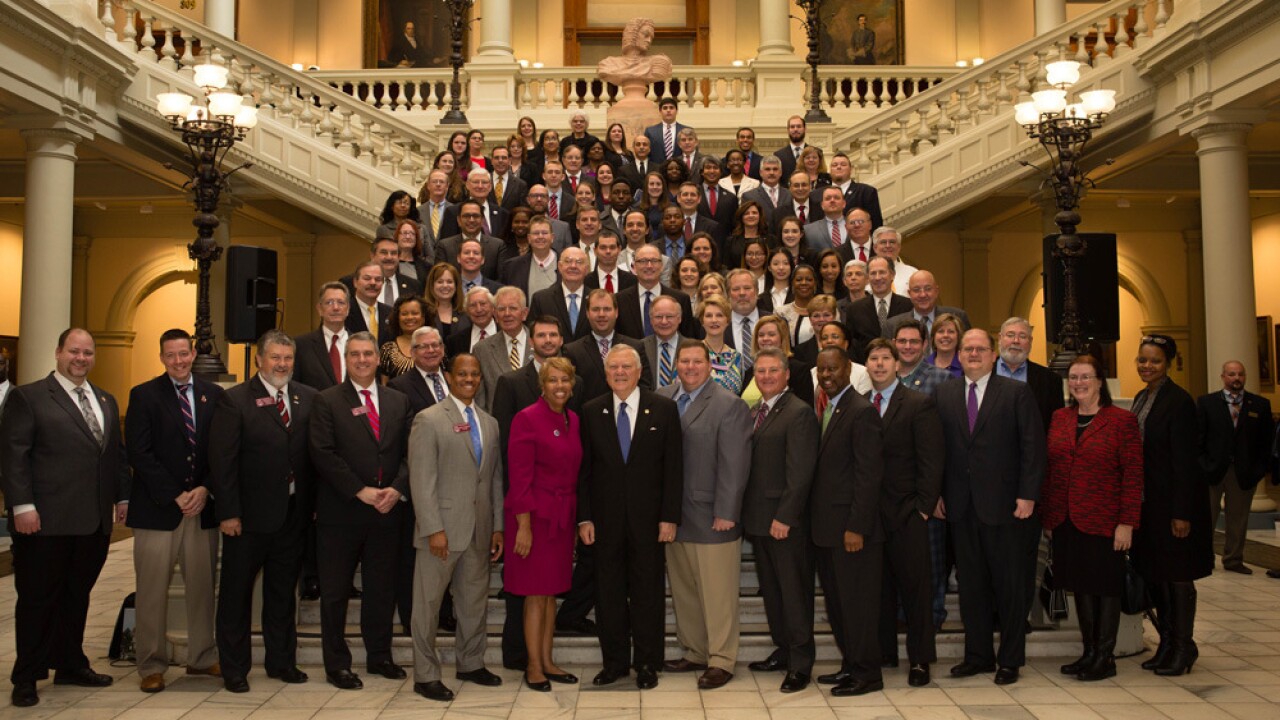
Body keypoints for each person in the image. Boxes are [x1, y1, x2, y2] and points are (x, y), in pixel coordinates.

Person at [0, 329, 128, 708]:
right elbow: (13, 457)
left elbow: (115, 454)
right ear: (58, 352)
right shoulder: (29, 397)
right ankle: (27, 675)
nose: (81, 358)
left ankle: (70, 663)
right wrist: (21, 507)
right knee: (39, 600)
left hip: (93, 524)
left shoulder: (104, 399)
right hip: (44, 523)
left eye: (88, 352)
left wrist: (122, 494)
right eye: (74, 351)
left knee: (77, 597)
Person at [935, 329, 1046, 686]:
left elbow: (1033, 448)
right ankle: (978, 655)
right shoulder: (946, 392)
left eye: (980, 349)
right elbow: (938, 449)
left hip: (1006, 508)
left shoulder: (1015, 392)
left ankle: (1010, 659)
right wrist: (937, 493)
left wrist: (1028, 495)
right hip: (961, 507)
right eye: (967, 349)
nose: (973, 354)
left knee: (1009, 587)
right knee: (971, 587)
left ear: (993, 353)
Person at [209, 330, 317, 693]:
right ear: (259, 360)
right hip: (247, 520)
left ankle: (281, 661)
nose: (282, 364)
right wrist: (228, 513)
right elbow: (222, 464)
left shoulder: (307, 398)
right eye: (275, 358)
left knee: (282, 594)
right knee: (236, 596)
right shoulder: (235, 400)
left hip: (292, 515)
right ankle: (235, 668)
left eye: (287, 358)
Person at [309, 332, 412, 690]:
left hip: (387, 512)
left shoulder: (398, 400)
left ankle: (379, 656)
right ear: (346, 359)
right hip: (342, 513)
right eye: (355, 354)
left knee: (382, 590)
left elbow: (409, 453)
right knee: (336, 593)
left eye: (368, 353)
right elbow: (322, 453)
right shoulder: (326, 401)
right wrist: (360, 490)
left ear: (377, 358)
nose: (363, 359)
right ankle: (337, 664)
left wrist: (396, 488)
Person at [578, 345, 684, 689]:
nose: (620, 373)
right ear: (606, 373)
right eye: (613, 368)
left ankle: (648, 663)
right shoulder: (591, 411)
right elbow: (585, 472)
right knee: (608, 595)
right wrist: (585, 518)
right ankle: (615, 664)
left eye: (626, 367)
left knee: (648, 594)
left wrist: (670, 517)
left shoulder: (664, 409)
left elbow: (674, 468)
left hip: (650, 522)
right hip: (604, 524)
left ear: (639, 372)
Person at [126, 329, 224, 693]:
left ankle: (202, 657)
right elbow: (139, 453)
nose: (179, 361)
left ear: (194, 353)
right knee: (151, 591)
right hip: (157, 511)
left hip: (200, 509)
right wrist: (174, 494)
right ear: (162, 357)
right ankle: (151, 664)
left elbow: (221, 450)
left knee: (202, 588)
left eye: (184, 354)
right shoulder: (144, 395)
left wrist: (205, 488)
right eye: (172, 355)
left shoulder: (213, 395)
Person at [408, 353, 504, 701]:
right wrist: (433, 527)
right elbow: (422, 480)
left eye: (475, 374)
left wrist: (498, 525)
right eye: (462, 373)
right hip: (442, 532)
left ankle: (471, 663)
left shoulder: (489, 422)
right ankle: (425, 674)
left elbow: (493, 478)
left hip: (479, 530)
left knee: (473, 602)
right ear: (449, 377)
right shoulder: (429, 419)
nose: (469, 379)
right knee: (428, 605)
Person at [1041, 354, 1143, 682]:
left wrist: (1126, 522)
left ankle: (1105, 655)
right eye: (1073, 377)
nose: (1079, 383)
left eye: (1086, 377)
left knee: (1105, 588)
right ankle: (1088, 652)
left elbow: (1133, 476)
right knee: (1081, 587)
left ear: (1100, 381)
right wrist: (1049, 518)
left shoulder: (1120, 421)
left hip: (1105, 521)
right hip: (1066, 520)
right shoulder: (1060, 417)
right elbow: (1052, 469)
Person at [658, 340, 752, 690]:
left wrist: (727, 511)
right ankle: (695, 650)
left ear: (709, 365)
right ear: (676, 364)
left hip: (713, 517)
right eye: (684, 361)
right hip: (672, 516)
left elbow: (735, 464)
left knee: (717, 594)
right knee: (685, 592)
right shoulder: (663, 397)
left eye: (698, 361)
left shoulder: (729, 405)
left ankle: (721, 659)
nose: (691, 367)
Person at [499, 356, 584, 691]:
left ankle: (548, 660)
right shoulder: (527, 418)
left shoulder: (573, 420)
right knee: (535, 595)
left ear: (572, 385)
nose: (559, 386)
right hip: (532, 518)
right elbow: (519, 477)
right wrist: (523, 526)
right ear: (542, 385)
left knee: (550, 594)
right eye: (552, 380)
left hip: (561, 519)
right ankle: (533, 665)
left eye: (565, 380)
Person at [1131, 334, 1212, 676]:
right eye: (1143, 360)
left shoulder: (1178, 402)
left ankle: (1184, 647)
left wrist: (1182, 513)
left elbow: (1185, 463)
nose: (1147, 366)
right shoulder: (1141, 397)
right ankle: (1166, 643)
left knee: (1178, 579)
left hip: (1173, 509)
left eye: (1154, 361)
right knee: (1156, 577)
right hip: (1147, 507)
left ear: (1168, 363)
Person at [863, 338, 942, 688]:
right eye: (873, 359)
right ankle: (885, 652)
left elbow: (931, 460)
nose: (879, 364)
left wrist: (923, 508)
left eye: (885, 358)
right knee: (878, 590)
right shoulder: (861, 404)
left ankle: (921, 659)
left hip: (908, 513)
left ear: (897, 364)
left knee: (915, 590)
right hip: (870, 516)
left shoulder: (917, 403)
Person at [809, 346, 885, 697]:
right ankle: (851, 664)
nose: (827, 375)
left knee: (857, 606)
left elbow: (869, 477)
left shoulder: (860, 411)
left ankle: (868, 673)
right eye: (822, 370)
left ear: (849, 369)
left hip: (850, 531)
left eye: (833, 369)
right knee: (838, 605)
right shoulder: (827, 407)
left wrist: (857, 527)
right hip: (826, 530)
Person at [743, 348, 820, 693]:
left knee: (793, 593)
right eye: (761, 371)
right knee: (773, 593)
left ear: (787, 374)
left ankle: (801, 663)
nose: (767, 376)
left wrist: (785, 516)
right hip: (758, 520)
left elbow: (801, 473)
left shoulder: (798, 413)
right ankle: (784, 649)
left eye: (774, 370)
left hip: (783, 522)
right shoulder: (757, 410)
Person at [1198, 361, 1273, 574]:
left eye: (1240, 374)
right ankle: (1204, 559)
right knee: (1206, 517)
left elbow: (1265, 442)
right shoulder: (1207, 403)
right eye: (1231, 374)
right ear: (1223, 377)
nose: (1236, 378)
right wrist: (1202, 466)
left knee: (1238, 519)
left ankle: (1233, 560)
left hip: (1243, 472)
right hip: (1213, 470)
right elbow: (1198, 439)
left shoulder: (1259, 405)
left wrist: (1258, 470)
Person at [996, 317, 1066, 434]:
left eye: (1022, 336)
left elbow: (1056, 429)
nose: (1016, 341)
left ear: (1030, 341)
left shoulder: (1050, 380)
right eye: (1010, 335)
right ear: (1000, 338)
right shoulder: (982, 374)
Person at [472, 286, 531, 408]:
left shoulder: (541, 343)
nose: (507, 314)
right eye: (501, 309)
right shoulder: (482, 350)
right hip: (498, 423)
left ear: (524, 313)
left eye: (513, 308)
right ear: (495, 314)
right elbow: (480, 399)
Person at [741, 315, 815, 407]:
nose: (765, 339)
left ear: (782, 338)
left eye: (771, 334)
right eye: (761, 335)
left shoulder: (798, 370)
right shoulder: (750, 371)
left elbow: (805, 410)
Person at [886, 270, 971, 347]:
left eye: (928, 289)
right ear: (909, 294)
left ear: (936, 291)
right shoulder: (892, 326)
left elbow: (968, 348)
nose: (922, 294)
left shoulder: (958, 317)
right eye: (916, 290)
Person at [294, 282, 351, 390]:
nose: (335, 307)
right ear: (319, 309)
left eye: (341, 302)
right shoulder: (301, 345)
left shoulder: (361, 344)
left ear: (348, 309)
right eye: (329, 302)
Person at [698, 294, 746, 395]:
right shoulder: (692, 352)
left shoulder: (737, 358)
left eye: (719, 315)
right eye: (709, 315)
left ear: (727, 320)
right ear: (702, 321)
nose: (714, 320)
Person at [379, 295, 427, 378]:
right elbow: (384, 384)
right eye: (404, 314)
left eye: (415, 313)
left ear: (423, 317)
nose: (409, 317)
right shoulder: (387, 349)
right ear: (397, 318)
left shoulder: (436, 346)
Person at [422, 262, 464, 337]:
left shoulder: (465, 312)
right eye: (440, 282)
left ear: (456, 285)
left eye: (449, 282)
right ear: (432, 285)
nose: (445, 285)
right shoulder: (423, 312)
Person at [644, 96, 689, 164]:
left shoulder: (686, 130)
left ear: (676, 111)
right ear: (660, 111)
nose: (668, 110)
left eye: (671, 108)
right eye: (665, 108)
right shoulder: (650, 131)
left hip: (679, 171)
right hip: (656, 171)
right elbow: (646, 154)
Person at [925, 312, 964, 379]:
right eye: (940, 331)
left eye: (951, 331)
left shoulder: (965, 366)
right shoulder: (923, 365)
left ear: (959, 337)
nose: (945, 335)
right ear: (933, 337)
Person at [774, 115, 810, 182]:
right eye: (792, 127)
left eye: (799, 126)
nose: (795, 129)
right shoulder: (778, 155)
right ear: (788, 130)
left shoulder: (815, 152)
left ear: (805, 129)